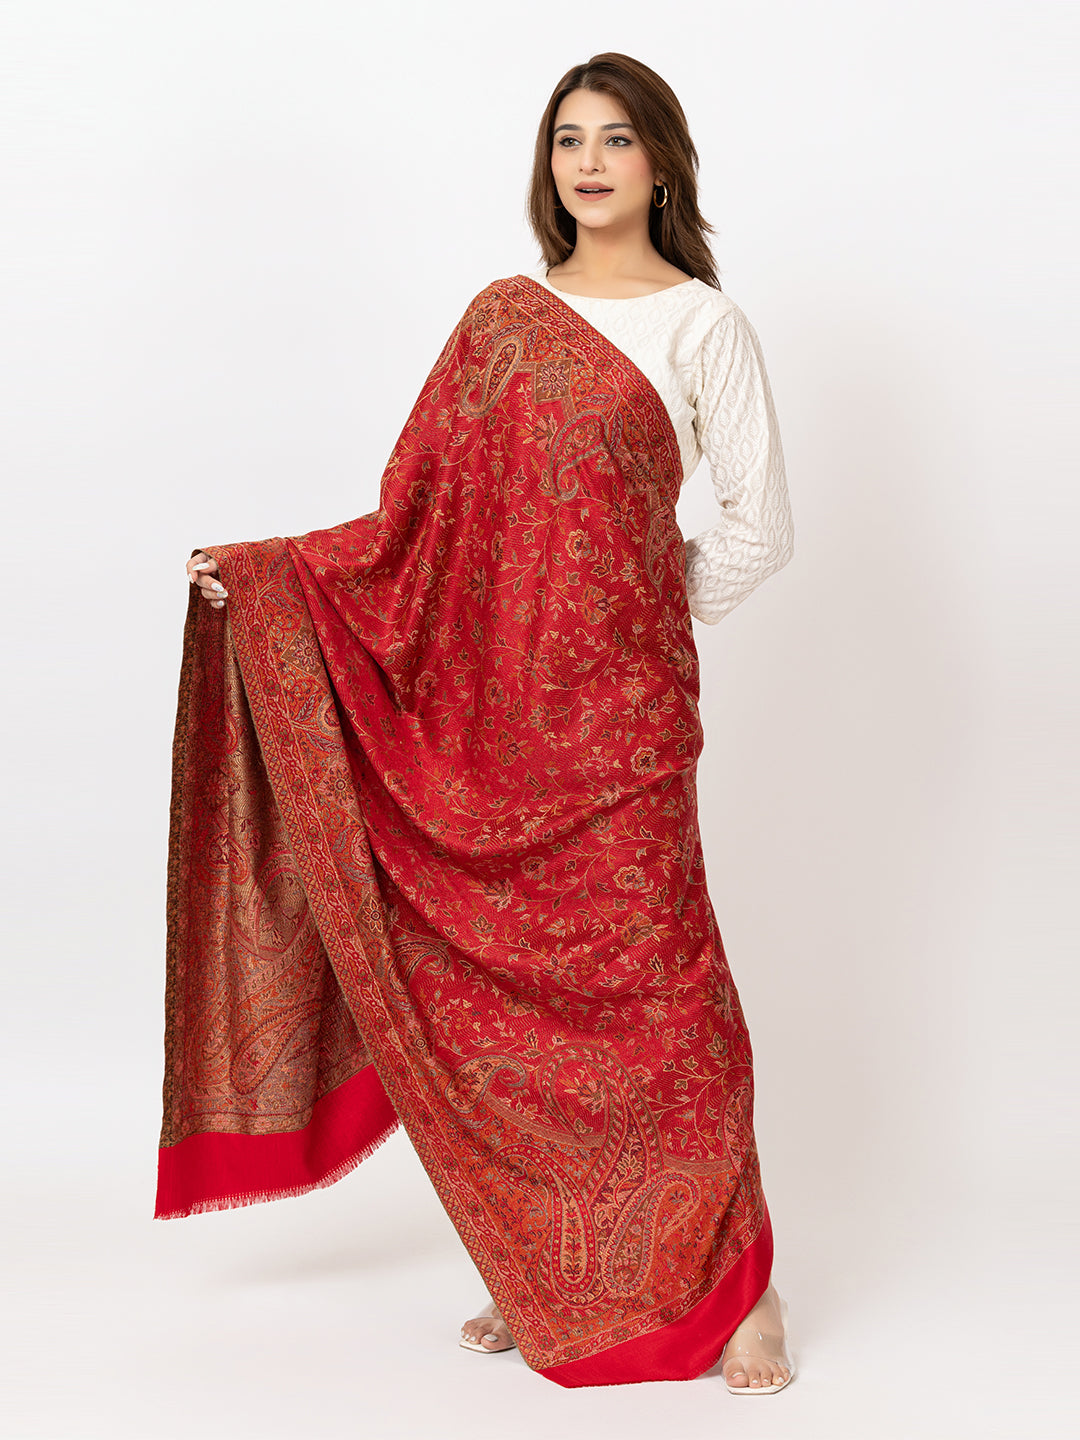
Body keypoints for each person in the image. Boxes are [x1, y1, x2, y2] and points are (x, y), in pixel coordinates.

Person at [173, 52, 795, 1393]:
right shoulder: (502, 322)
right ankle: (540, 1264)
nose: (589, 162)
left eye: (616, 139)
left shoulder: (704, 327)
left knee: (669, 995)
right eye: (568, 139)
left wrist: (642, 605)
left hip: (624, 724)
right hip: (494, 721)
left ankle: (743, 1289)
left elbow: (762, 527)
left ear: (661, 163)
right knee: (503, 1009)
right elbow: (415, 523)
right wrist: (271, 577)